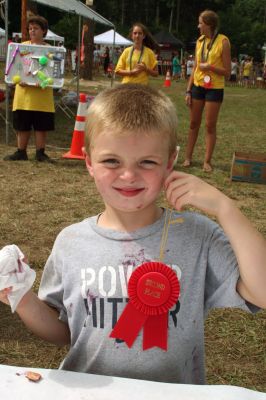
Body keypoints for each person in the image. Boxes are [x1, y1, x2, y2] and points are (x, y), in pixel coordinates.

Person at [1, 84, 265, 385]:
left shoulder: (197, 236)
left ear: (170, 161)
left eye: (147, 162)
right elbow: (63, 331)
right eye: (111, 161)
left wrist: (226, 208)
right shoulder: (70, 242)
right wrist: (20, 297)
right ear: (88, 161)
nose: (128, 176)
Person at [183, 10, 231, 172]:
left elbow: (227, 71)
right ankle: (188, 157)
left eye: (200, 23)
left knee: (210, 125)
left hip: (214, 88)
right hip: (197, 86)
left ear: (209, 25)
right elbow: (196, 67)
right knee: (193, 123)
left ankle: (207, 161)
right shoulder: (199, 41)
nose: (198, 26)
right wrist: (188, 91)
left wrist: (210, 67)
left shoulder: (223, 42)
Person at [4, 15, 55, 162]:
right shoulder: (20, 47)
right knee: (22, 124)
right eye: (30, 28)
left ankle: (40, 153)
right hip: (23, 95)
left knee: (41, 125)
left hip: (42, 96)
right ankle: (21, 152)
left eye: (36, 28)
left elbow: (53, 73)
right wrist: (19, 80)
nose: (32, 31)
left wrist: (44, 81)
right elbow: (14, 68)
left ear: (44, 31)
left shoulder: (50, 50)